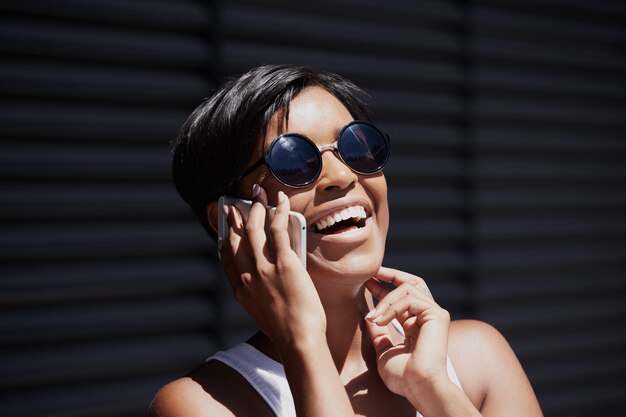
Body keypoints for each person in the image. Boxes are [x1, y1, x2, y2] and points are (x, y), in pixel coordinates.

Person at [149, 64, 543, 417]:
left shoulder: (475, 358)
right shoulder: (205, 405)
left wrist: (435, 392)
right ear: (233, 218)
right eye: (293, 160)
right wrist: (303, 341)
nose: (341, 176)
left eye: (356, 146)